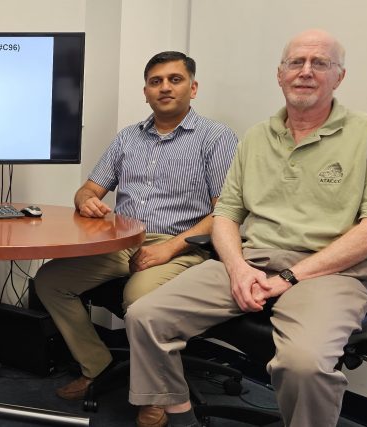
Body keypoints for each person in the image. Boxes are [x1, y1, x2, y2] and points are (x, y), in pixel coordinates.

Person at [124, 29, 367, 427]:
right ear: (280, 74)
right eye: (296, 62)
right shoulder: (257, 136)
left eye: (320, 63)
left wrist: (291, 276)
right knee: (145, 316)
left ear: (338, 77)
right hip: (252, 260)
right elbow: (226, 216)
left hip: (330, 272)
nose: (305, 72)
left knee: (303, 365)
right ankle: (181, 418)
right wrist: (238, 268)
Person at [33, 51, 238, 427]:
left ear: (193, 88)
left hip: (184, 245)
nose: (165, 88)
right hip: (123, 241)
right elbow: (87, 191)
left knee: (138, 297)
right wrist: (88, 202)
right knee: (49, 281)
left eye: (174, 80)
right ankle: (96, 364)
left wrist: (168, 249)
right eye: (156, 81)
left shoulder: (216, 137)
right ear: (145, 91)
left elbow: (224, 213)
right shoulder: (128, 137)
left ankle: (157, 393)